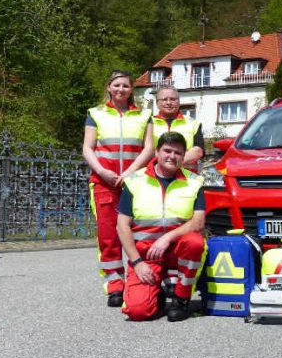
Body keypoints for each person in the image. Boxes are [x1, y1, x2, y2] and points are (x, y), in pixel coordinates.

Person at [116, 132, 207, 322]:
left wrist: (167, 238)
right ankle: (156, 292)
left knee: (195, 242)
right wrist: (137, 263)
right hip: (146, 256)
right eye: (167, 151)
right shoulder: (134, 181)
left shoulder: (195, 182)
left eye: (178, 153)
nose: (172, 156)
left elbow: (198, 222)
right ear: (157, 152)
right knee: (137, 311)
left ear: (184, 157)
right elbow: (122, 226)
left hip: (176, 252)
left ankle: (181, 299)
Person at [83, 70, 154, 307]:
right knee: (108, 235)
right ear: (109, 87)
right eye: (116, 85)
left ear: (131, 89)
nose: (121, 89)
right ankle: (115, 284)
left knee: (142, 232)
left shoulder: (145, 115)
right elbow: (88, 148)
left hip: (135, 183)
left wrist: (130, 172)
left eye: (125, 85)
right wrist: (102, 171)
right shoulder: (96, 114)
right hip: (104, 182)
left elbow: (149, 149)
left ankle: (141, 278)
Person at [152, 85, 204, 172]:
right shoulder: (149, 123)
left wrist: (171, 164)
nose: (169, 102)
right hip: (155, 175)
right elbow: (145, 150)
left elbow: (198, 151)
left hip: (186, 178)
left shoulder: (193, 123)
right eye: (164, 99)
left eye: (173, 99)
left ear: (179, 102)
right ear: (157, 103)